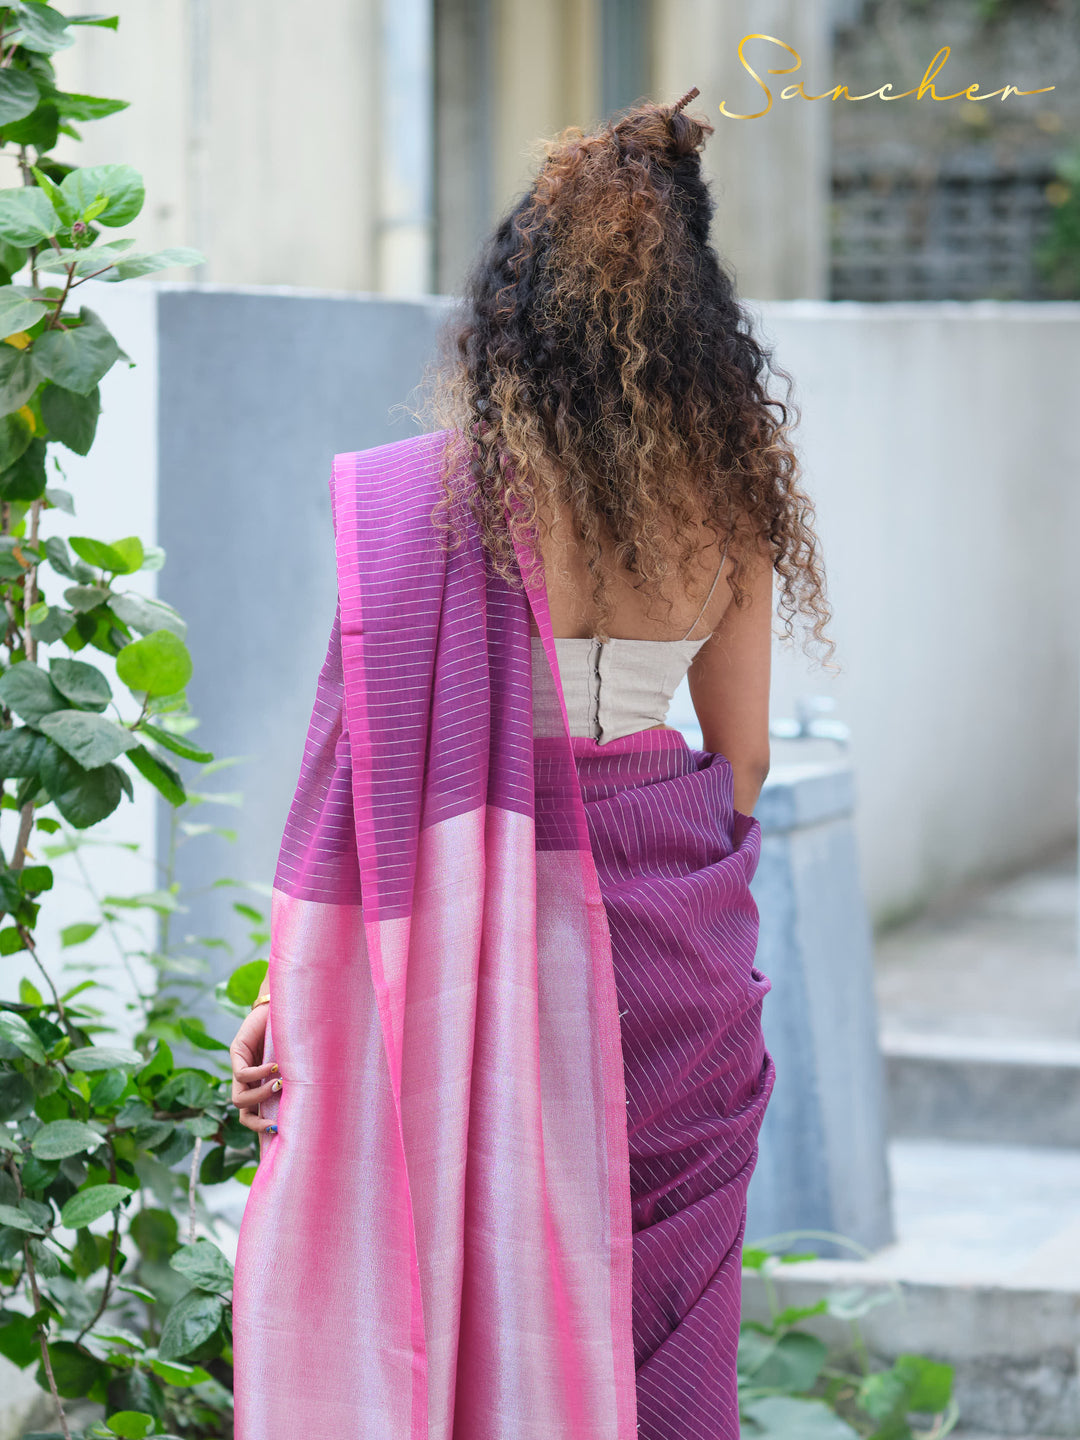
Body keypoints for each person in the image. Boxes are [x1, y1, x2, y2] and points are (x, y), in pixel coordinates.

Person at [227, 89, 829, 1440]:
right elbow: (740, 764)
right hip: (674, 946)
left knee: (476, 1279)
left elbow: (358, 780)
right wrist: (655, 907)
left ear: (522, 299)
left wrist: (292, 994)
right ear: (698, 304)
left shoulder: (431, 501)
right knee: (661, 1329)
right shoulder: (733, 491)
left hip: (465, 933)